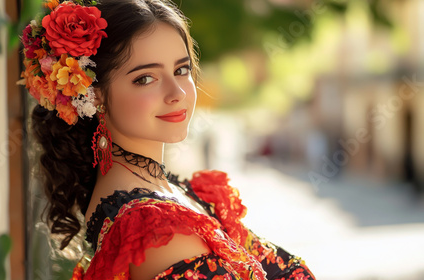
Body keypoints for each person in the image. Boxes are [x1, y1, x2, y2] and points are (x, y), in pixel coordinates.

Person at [20, 0, 316, 279]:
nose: (177, 93)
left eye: (181, 70)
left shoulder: (163, 192)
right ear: (94, 94)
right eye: (146, 78)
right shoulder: (157, 229)